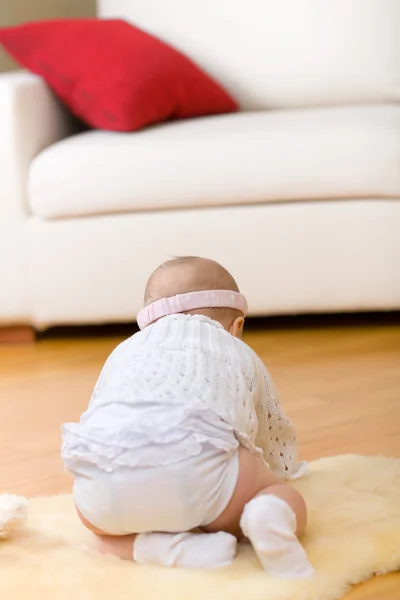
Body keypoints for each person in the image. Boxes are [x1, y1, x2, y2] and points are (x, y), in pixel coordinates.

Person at [62, 257, 313, 578]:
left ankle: (167, 549)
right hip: (201, 473)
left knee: (101, 535)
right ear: (237, 327)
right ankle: (268, 514)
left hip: (107, 490)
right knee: (280, 495)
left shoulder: (123, 350)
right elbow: (270, 424)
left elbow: (95, 417)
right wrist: (281, 474)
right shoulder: (235, 349)